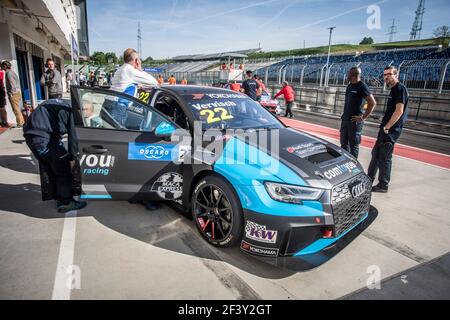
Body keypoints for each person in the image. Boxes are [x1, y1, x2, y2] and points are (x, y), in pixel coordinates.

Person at [23, 99, 87, 213]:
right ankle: (66, 202)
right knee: (63, 167)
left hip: (34, 136)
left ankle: (58, 195)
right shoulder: (74, 111)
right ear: (84, 110)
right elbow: (74, 137)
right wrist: (73, 156)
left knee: (54, 167)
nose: (85, 119)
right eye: (87, 116)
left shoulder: (65, 104)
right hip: (42, 138)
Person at [368, 66, 409, 193]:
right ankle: (369, 179)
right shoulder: (393, 90)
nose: (386, 77)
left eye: (389, 74)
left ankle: (383, 185)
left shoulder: (400, 89)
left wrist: (387, 126)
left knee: (384, 158)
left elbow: (399, 110)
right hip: (385, 129)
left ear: (396, 75)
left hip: (390, 131)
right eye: (385, 74)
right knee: (375, 154)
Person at [340, 67, 376, 159]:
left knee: (353, 146)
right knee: (344, 144)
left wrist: (363, 117)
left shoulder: (362, 86)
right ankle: (344, 162)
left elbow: (372, 102)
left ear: (353, 74)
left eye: (348, 74)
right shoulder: (349, 86)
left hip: (354, 122)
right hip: (345, 120)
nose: (347, 75)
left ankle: (354, 165)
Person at [1, 61, 25, 127]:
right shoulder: (12, 72)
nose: (2, 68)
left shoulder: (8, 73)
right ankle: (21, 121)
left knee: (15, 109)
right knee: (17, 108)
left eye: (2, 66)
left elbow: (12, 85)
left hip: (14, 94)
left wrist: (11, 94)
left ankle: (20, 123)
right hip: (17, 93)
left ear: (5, 66)